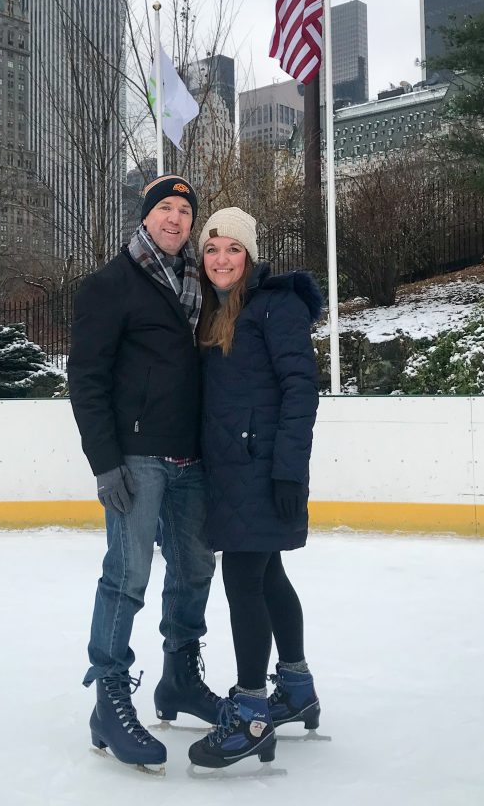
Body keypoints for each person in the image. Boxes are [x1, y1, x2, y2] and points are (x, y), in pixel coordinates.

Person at [68, 175, 221, 772]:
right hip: (135, 457)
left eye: (185, 210)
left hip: (191, 457)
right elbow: (86, 380)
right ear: (146, 216)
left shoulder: (199, 286)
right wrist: (104, 463)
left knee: (193, 571)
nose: (176, 218)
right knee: (127, 576)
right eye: (166, 208)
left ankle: (179, 677)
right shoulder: (110, 285)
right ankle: (109, 696)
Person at [187, 207, 322, 771]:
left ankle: (252, 712)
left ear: (250, 255)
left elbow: (301, 388)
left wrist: (290, 469)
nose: (221, 259)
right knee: (267, 575)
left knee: (244, 577)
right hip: (232, 471)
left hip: (264, 470)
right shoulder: (214, 312)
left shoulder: (277, 306)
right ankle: (296, 686)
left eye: (232, 249)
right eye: (212, 249)